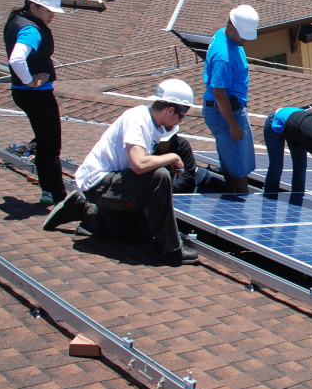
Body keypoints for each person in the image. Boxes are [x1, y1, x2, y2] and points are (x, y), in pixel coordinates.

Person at [42, 79, 199, 265]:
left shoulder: (154, 124)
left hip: (116, 183)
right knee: (160, 176)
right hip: (99, 182)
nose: (181, 121)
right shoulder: (137, 119)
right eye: (181, 115)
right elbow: (139, 164)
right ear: (170, 110)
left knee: (139, 235)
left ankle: (83, 210)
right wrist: (172, 157)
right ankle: (169, 247)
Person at [3, 0, 67, 205]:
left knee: (43, 141)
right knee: (51, 147)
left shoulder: (18, 20)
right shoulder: (31, 29)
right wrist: (31, 82)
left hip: (23, 93)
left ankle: (47, 191)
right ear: (33, 6)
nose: (52, 16)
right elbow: (16, 59)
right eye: (48, 10)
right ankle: (59, 197)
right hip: (36, 95)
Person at [202, 5, 258, 194]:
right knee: (238, 162)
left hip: (225, 109)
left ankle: (233, 195)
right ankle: (243, 201)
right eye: (242, 35)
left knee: (229, 158)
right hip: (226, 112)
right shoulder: (223, 57)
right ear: (232, 27)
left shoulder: (224, 34)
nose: (244, 40)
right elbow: (219, 93)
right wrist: (233, 124)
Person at [154, 132, 228, 194]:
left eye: (165, 142)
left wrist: (168, 191)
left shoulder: (181, 145)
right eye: (160, 142)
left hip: (198, 177)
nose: (162, 144)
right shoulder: (149, 149)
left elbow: (187, 176)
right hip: (182, 186)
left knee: (229, 190)